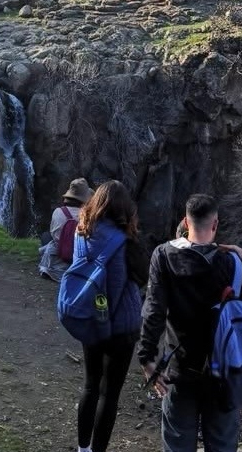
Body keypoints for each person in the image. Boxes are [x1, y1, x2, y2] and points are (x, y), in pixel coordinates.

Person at [138, 194, 242, 452]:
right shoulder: (230, 264)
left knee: (177, 444)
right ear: (215, 224)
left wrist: (147, 357)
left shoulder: (163, 256)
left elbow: (153, 309)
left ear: (186, 222)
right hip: (224, 372)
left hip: (179, 369)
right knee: (222, 445)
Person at [69, 180, 149, 452]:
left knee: (90, 386)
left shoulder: (82, 232)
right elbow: (142, 275)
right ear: (124, 208)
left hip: (91, 317)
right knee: (109, 394)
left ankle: (83, 448)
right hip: (120, 328)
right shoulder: (125, 242)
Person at [38, 177, 93, 280]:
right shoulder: (89, 217)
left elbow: (53, 233)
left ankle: (48, 265)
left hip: (57, 255)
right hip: (78, 258)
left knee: (46, 236)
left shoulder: (58, 212)